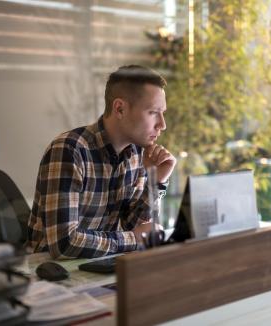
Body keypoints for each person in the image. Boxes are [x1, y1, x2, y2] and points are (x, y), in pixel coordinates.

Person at [27, 65, 177, 259]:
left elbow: (136, 224)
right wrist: (132, 239)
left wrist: (157, 180)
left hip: (98, 265)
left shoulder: (137, 154)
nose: (162, 125)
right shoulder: (69, 150)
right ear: (120, 108)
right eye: (153, 112)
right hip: (50, 273)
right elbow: (63, 244)